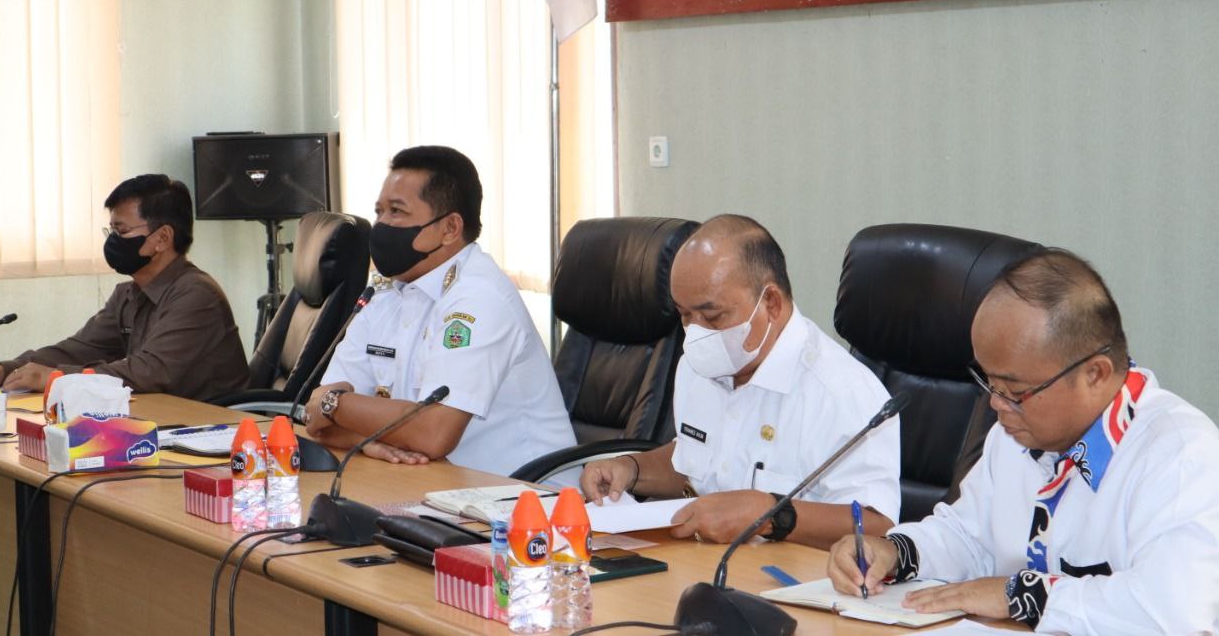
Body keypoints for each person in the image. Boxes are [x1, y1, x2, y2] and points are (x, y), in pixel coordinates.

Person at [827, 248, 1219, 634]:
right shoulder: (1015, 434)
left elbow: (1173, 612)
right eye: (988, 382)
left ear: (1095, 374)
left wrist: (1022, 594)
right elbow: (969, 537)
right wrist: (894, 552)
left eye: (1015, 391)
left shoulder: (1181, 455)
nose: (996, 404)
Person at [579, 215, 901, 550]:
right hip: (706, 563)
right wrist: (631, 469)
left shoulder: (840, 391)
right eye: (684, 315)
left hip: (794, 576)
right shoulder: (697, 364)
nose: (696, 332)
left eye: (712, 316)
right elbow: (699, 463)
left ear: (771, 303)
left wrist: (770, 515)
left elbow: (877, 526)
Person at [303, 145, 575, 477]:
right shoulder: (384, 292)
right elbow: (316, 420)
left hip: (524, 494)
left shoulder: (479, 297)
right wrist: (361, 438)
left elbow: (433, 434)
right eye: (379, 212)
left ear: (450, 228)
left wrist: (336, 405)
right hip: (430, 485)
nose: (381, 225)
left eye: (396, 212)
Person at [0, 174, 249, 401]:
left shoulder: (197, 295)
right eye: (110, 231)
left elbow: (149, 372)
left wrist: (57, 378)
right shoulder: (128, 293)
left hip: (210, 427)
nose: (112, 242)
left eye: (121, 232)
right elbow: (79, 349)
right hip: (159, 420)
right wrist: (5, 370)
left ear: (163, 238)